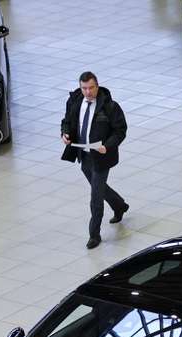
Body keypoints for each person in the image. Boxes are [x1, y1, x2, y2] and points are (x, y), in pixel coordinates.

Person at [61, 71, 129, 249]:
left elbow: (120, 130)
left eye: (91, 88)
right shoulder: (75, 101)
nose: (88, 92)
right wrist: (65, 133)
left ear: (97, 86)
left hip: (102, 156)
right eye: (84, 88)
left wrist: (107, 146)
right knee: (98, 187)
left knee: (96, 196)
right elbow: (67, 120)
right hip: (84, 154)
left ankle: (94, 234)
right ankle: (119, 205)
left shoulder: (109, 106)